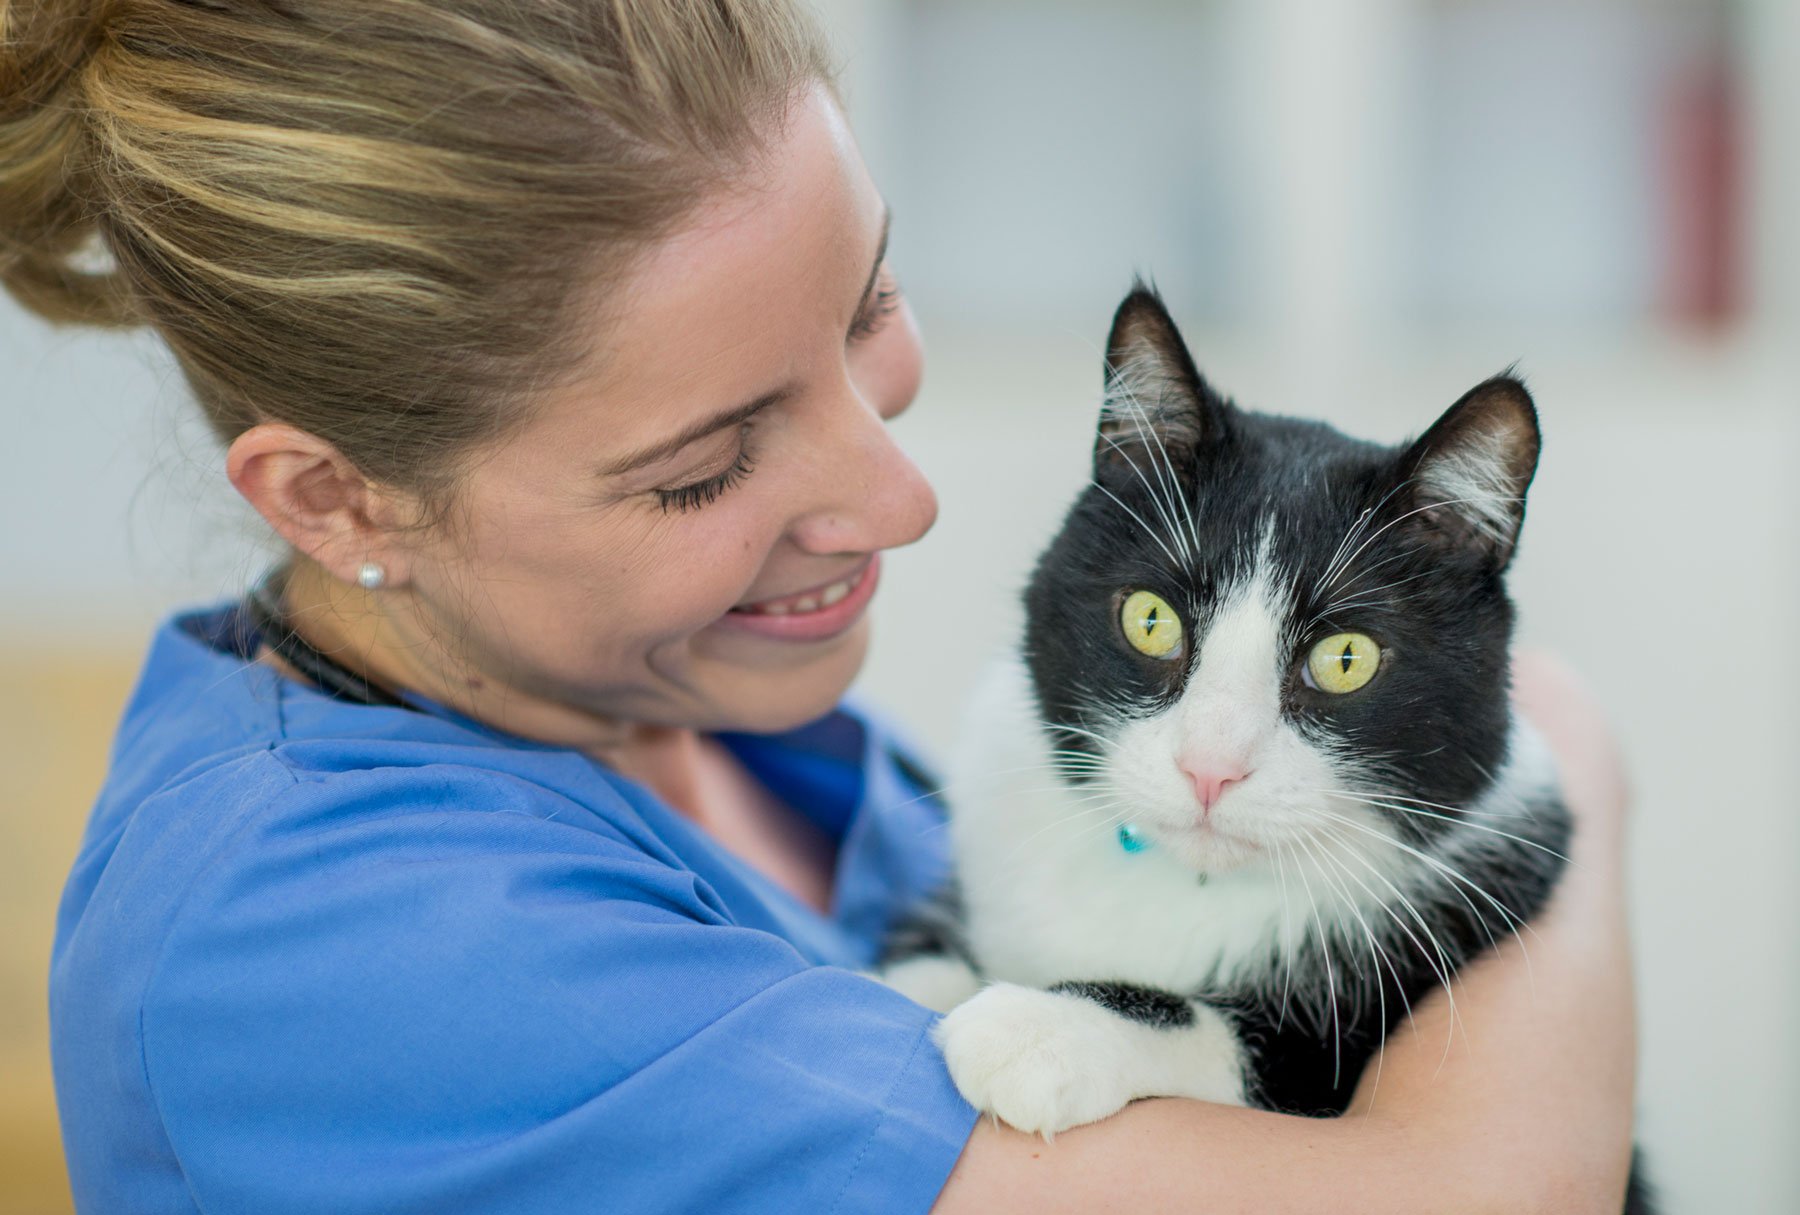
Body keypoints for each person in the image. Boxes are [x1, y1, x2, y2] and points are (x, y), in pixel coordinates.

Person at [3, 1, 1639, 1211]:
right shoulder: (342, 950)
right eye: (709, 462)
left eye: (867, 308)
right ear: (337, 497)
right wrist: (1573, 766)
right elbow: (1491, 1189)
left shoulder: (690, 698)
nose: (902, 500)